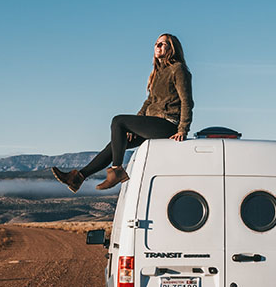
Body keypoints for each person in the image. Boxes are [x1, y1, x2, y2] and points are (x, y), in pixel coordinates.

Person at [51, 33, 193, 192]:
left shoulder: (178, 70)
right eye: (156, 43)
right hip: (152, 123)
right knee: (115, 144)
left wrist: (183, 129)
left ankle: (117, 171)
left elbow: (187, 101)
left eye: (163, 44)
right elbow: (149, 102)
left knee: (118, 121)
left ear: (172, 49)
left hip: (167, 125)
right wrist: (134, 127)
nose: (158, 46)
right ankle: (77, 178)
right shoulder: (157, 73)